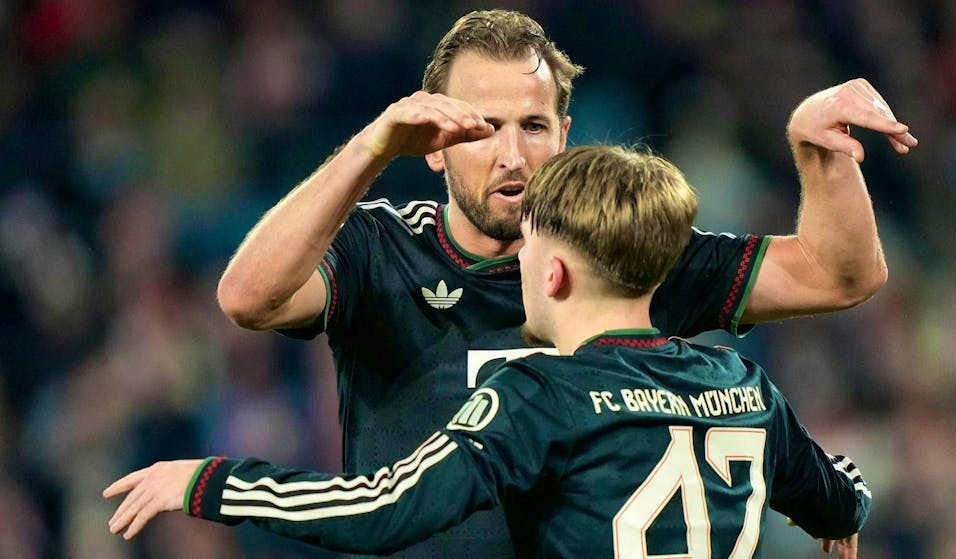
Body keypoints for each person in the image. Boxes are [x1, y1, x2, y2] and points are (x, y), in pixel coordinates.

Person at [211, 9, 913, 558]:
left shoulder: (628, 251)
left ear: (566, 135)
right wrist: (368, 149)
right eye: (482, 128)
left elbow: (840, 274)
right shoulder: (379, 246)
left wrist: (823, 155)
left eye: (534, 126)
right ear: (429, 139)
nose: (512, 154)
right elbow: (249, 297)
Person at [105, 145, 870, 558]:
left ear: (557, 270)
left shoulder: (542, 393)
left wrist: (212, 482)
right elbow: (840, 496)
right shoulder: (745, 385)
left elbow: (383, 507)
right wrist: (842, 511)